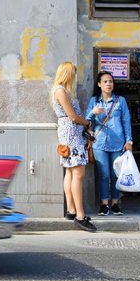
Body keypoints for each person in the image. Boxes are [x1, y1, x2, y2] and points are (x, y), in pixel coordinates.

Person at [52, 61, 96, 232]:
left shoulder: (60, 90)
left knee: (70, 172)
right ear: (67, 74)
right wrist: (88, 122)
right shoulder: (61, 91)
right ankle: (80, 216)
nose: (75, 77)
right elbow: (73, 116)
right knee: (78, 173)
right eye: (73, 73)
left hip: (68, 134)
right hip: (72, 135)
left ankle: (71, 210)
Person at [86, 71, 133, 216]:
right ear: (99, 84)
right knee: (104, 175)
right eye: (105, 81)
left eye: (111, 81)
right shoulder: (94, 101)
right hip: (99, 143)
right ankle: (104, 204)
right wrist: (92, 112)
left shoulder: (120, 101)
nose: (108, 84)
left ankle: (115, 204)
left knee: (116, 175)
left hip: (118, 143)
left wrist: (129, 140)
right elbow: (86, 122)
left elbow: (126, 121)